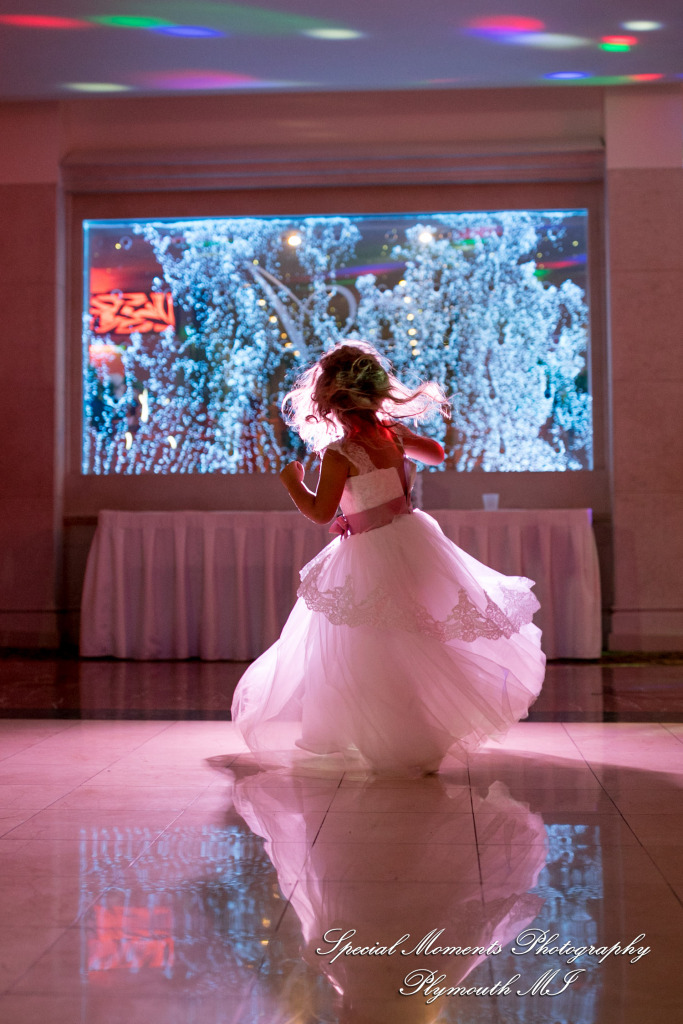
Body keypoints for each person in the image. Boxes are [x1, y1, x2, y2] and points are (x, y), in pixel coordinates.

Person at [231, 341, 545, 774]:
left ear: (331, 403)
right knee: (415, 639)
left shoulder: (340, 453)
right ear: (376, 395)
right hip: (411, 540)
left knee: (368, 649)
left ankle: (391, 736)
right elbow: (435, 453)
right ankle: (418, 733)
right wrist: (396, 433)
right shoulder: (391, 435)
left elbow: (321, 512)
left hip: (369, 554)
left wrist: (292, 483)